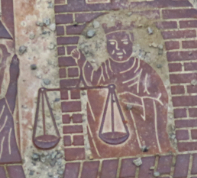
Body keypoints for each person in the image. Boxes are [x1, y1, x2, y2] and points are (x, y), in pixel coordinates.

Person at [71, 23, 172, 158]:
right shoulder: (106, 67)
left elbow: (161, 101)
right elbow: (93, 83)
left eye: (123, 43)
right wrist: (82, 61)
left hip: (141, 134)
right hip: (113, 128)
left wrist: (137, 101)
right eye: (112, 43)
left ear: (131, 44)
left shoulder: (143, 69)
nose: (118, 48)